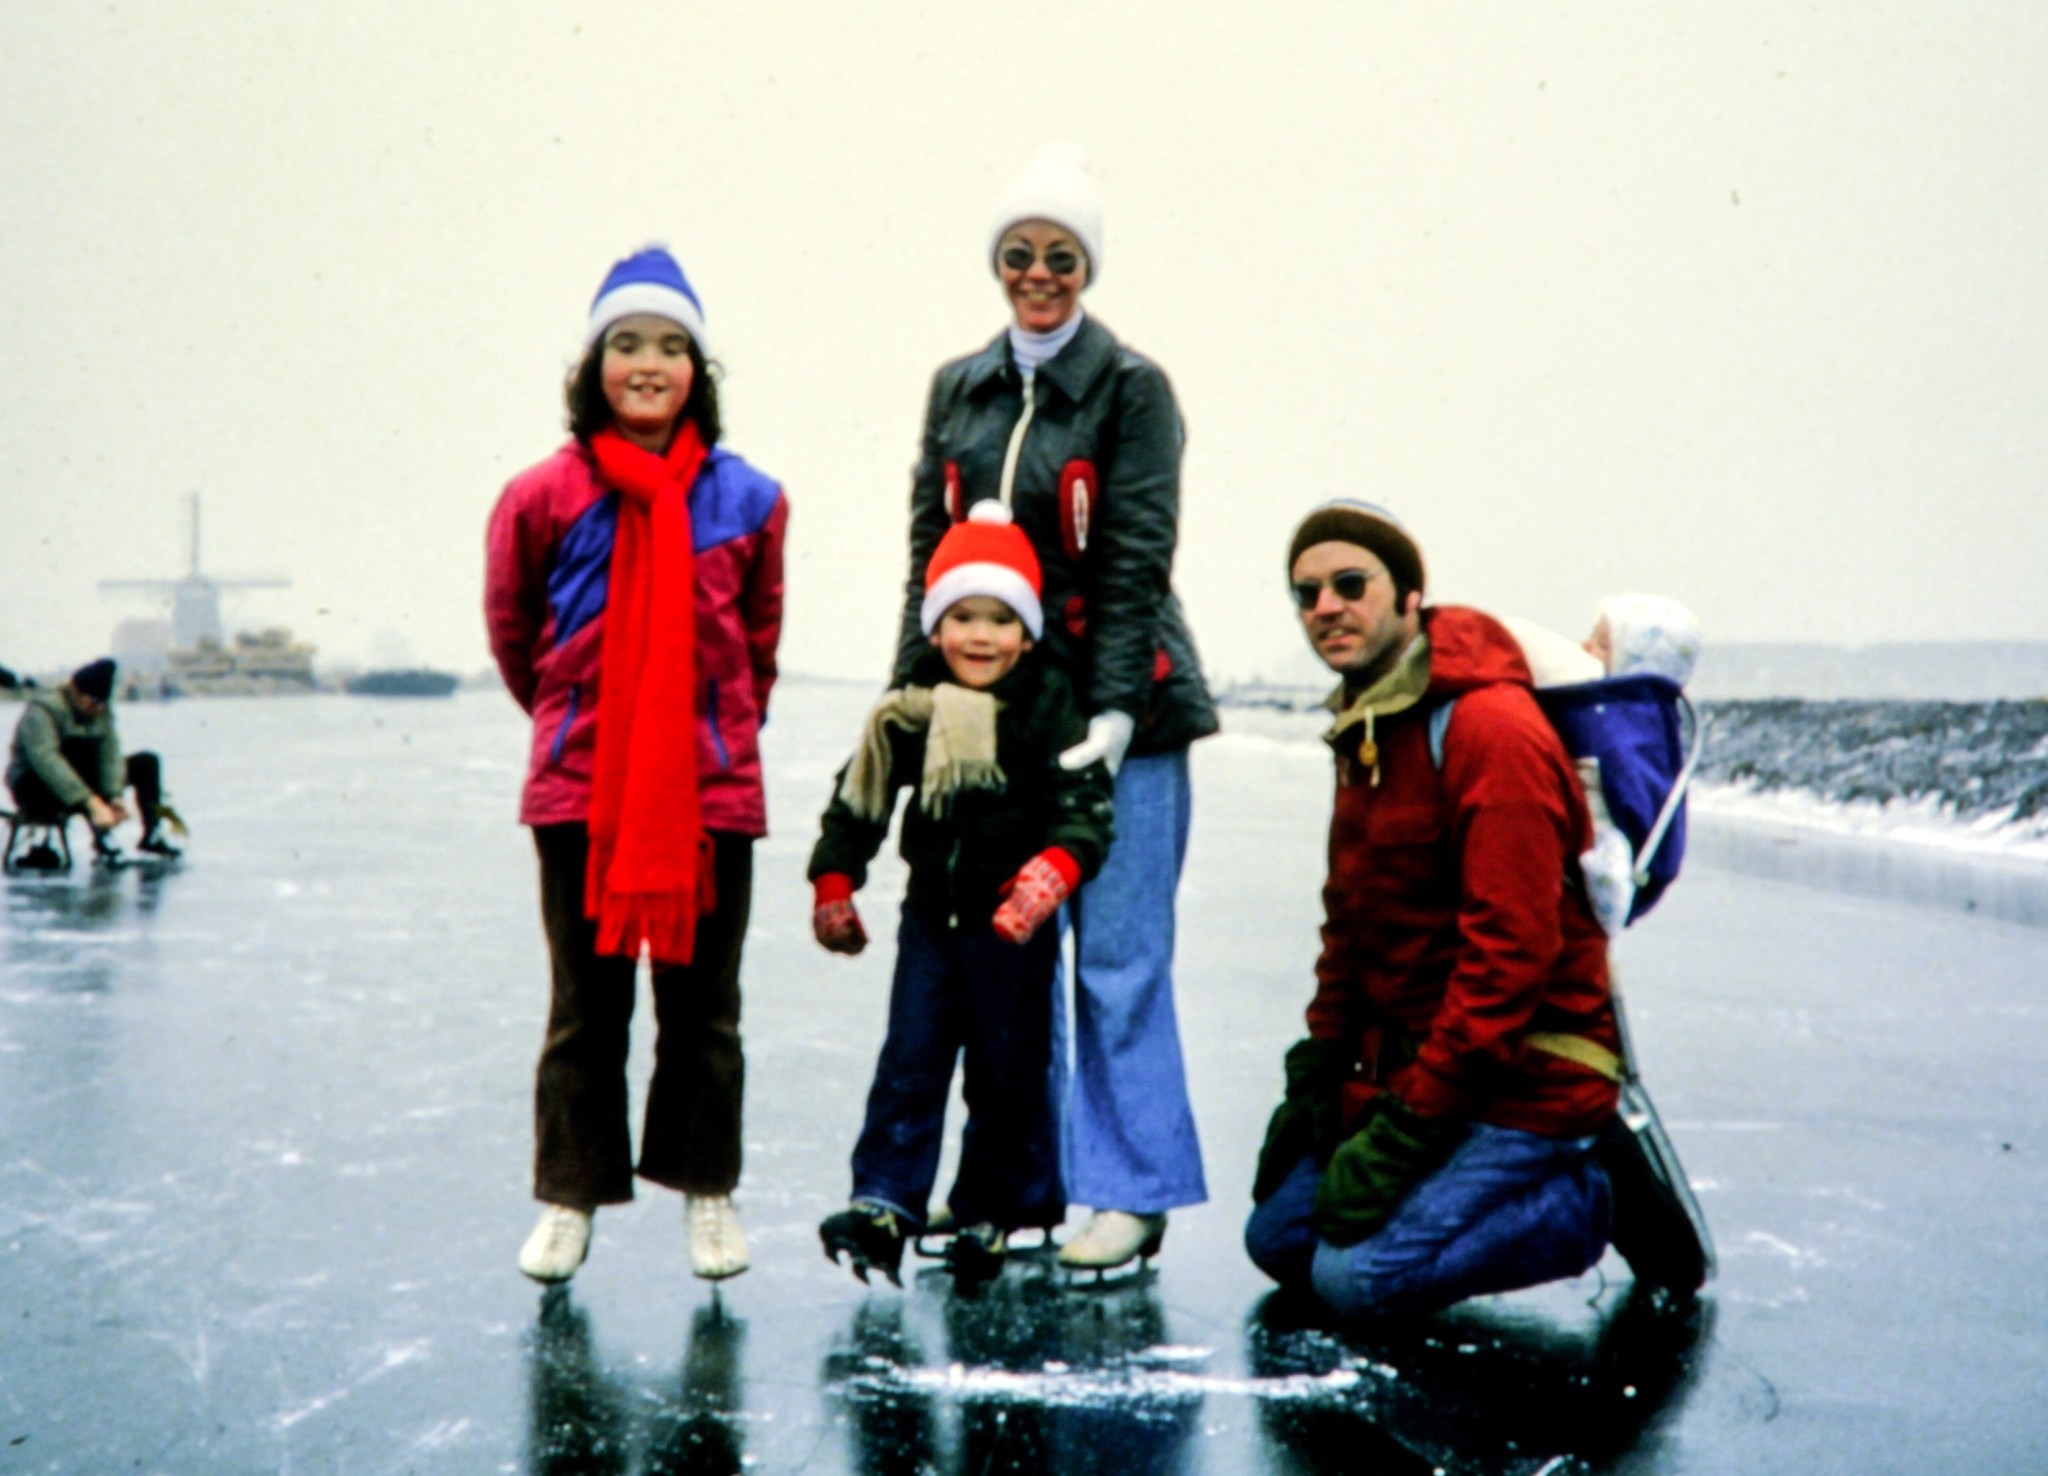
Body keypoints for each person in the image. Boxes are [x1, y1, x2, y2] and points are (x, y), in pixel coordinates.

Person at [890, 147, 1218, 1271]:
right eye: (1019, 255)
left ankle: (1131, 1191)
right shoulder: (958, 388)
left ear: (1088, 268)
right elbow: (929, 565)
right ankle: (1025, 1185)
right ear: (996, 264)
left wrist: (1118, 710)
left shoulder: (1131, 389)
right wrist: (910, 703)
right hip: (1001, 715)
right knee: (1007, 956)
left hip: (1126, 720)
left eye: (1061, 257)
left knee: (1115, 957)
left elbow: (1132, 562)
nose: (1039, 275)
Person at [1244, 501, 1631, 1318]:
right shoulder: (1368, 730)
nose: (1326, 608)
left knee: (1359, 1279)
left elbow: (1511, 956)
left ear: (1411, 595)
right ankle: (1466, 1173)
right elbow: (1350, 927)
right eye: (1306, 593)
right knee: (1278, 1241)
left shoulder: (1490, 729)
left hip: (1530, 1073)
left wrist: (1411, 1129)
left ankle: (1588, 1197)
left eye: (1351, 584)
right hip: (1422, 1068)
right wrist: (1318, 1068)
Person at [485, 245, 787, 1286]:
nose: (648, 364)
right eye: (627, 344)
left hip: (708, 800)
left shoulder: (749, 499)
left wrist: (698, 743)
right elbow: (515, 632)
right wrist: (587, 735)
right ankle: (570, 1199)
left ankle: (707, 1190)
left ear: (698, 370)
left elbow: (758, 646)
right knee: (585, 1011)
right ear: (593, 364)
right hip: (582, 797)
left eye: (670, 346)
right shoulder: (542, 495)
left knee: (704, 1012)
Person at [811, 504, 1116, 1286]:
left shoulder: (1048, 704)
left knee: (1005, 1072)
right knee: (910, 1060)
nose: (980, 637)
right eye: (962, 617)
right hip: (931, 922)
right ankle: (886, 1201)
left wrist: (1052, 870)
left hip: (1013, 926)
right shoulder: (913, 706)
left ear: (1028, 629)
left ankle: (990, 1209)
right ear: (935, 625)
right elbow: (861, 795)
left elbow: (1084, 809)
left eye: (1000, 618)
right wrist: (836, 877)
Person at [6, 657, 183, 865]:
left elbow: (110, 756)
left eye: (102, 705)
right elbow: (47, 762)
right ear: (76, 693)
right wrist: (91, 803)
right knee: (80, 751)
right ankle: (103, 835)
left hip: (83, 780)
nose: (98, 710)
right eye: (93, 704)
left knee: (146, 762)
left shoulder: (102, 712)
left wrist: (114, 795)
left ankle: (152, 835)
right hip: (35, 786)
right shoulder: (43, 710)